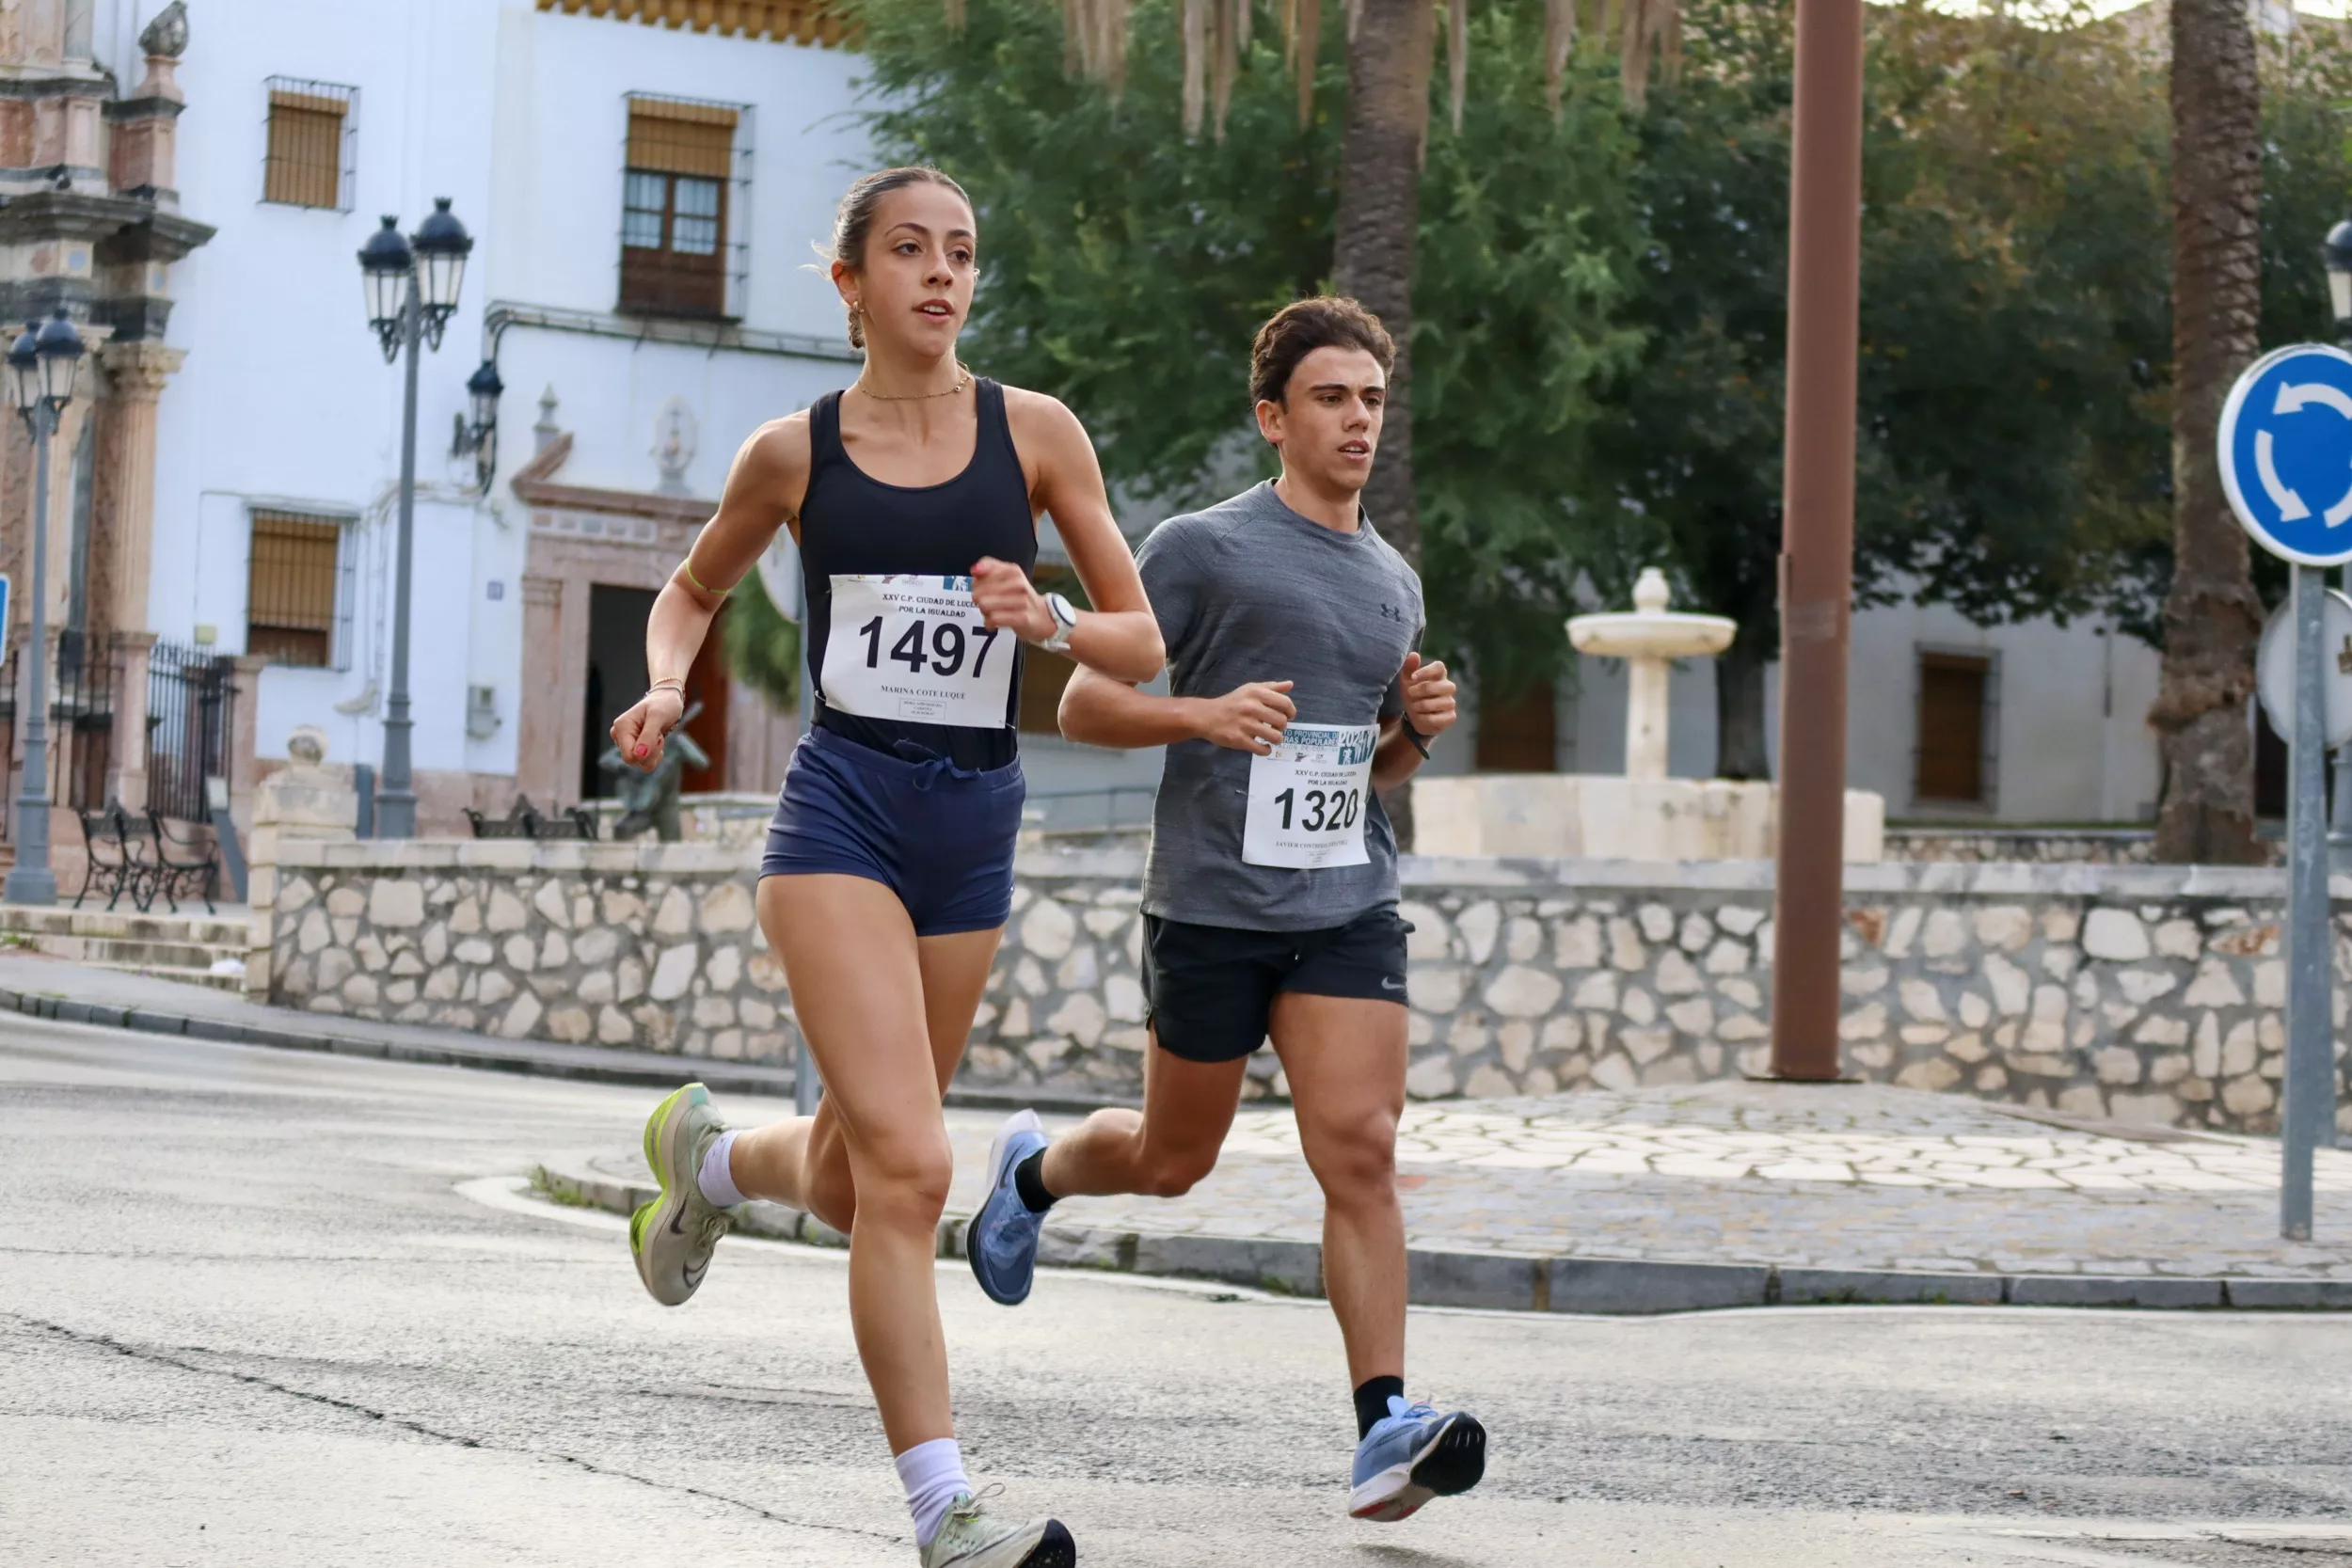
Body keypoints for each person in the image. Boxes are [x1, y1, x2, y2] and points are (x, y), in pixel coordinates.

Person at [609, 166, 1163, 1568]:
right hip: (840, 817)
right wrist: (669, 683)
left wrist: (1047, 616)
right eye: (909, 251)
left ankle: (715, 1163)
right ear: (851, 282)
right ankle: (945, 1512)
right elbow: (692, 589)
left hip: (972, 824)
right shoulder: (795, 453)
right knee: (916, 1171)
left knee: (865, 1184)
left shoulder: (1035, 436)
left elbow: (1141, 636)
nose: (942, 274)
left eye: (962, 253)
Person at [961, 295, 1483, 1527]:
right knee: (1170, 1155)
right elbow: (1086, 704)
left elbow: (1369, 770)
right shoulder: (1202, 548)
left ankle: (1382, 1426)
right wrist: (1203, 713)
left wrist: (1414, 727)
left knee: (1358, 1150)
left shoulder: (1395, 581)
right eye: (1330, 398)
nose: (1358, 419)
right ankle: (1031, 1175)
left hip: (1348, 902)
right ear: (1272, 417)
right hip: (1210, 904)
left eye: (1371, 399)